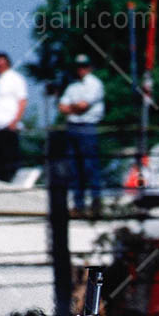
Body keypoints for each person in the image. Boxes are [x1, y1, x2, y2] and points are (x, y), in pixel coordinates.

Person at [58, 54, 106, 217]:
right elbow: (63, 107)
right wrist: (75, 107)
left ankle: (96, 203)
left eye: (84, 66)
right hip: (73, 127)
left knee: (90, 166)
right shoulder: (73, 86)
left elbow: (83, 106)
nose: (81, 69)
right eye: (79, 66)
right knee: (74, 168)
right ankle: (78, 205)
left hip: (87, 127)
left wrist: (73, 107)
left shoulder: (94, 84)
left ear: (89, 67)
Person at [0, 52, 28, 182]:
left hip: (8, 126)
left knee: (10, 159)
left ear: (7, 64)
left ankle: (12, 184)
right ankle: (0, 182)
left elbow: (22, 101)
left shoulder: (15, 79)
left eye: (2, 64)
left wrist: (15, 121)